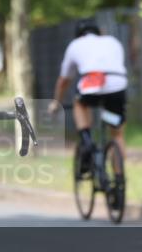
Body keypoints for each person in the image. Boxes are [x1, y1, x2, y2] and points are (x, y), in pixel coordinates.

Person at [47, 19, 128, 171]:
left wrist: (56, 102)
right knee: (117, 135)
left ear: (78, 35)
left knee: (80, 103)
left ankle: (86, 141)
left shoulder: (75, 45)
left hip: (93, 84)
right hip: (118, 85)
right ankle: (119, 182)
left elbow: (63, 81)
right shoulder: (113, 41)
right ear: (99, 32)